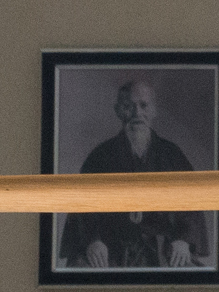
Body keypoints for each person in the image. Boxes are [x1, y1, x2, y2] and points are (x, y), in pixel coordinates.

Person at [56, 79, 205, 269]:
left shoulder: (171, 155)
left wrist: (183, 241)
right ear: (118, 110)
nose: (137, 114)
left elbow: (193, 202)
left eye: (143, 106)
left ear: (154, 110)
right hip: (110, 249)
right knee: (79, 273)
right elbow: (82, 207)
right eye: (128, 106)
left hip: (162, 248)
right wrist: (93, 241)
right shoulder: (100, 156)